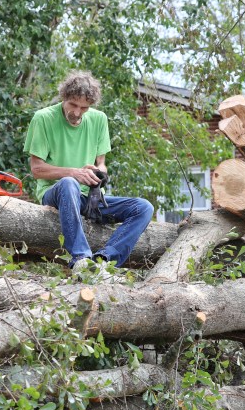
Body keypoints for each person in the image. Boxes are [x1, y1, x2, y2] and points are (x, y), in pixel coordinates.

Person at [23, 70, 154, 272]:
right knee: (69, 183)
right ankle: (81, 258)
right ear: (64, 98)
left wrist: (97, 172)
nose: (77, 112)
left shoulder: (99, 119)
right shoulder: (43, 118)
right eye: (73, 105)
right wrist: (73, 173)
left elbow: (102, 163)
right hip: (56, 195)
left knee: (143, 207)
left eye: (84, 107)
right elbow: (37, 170)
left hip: (90, 199)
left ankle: (104, 261)